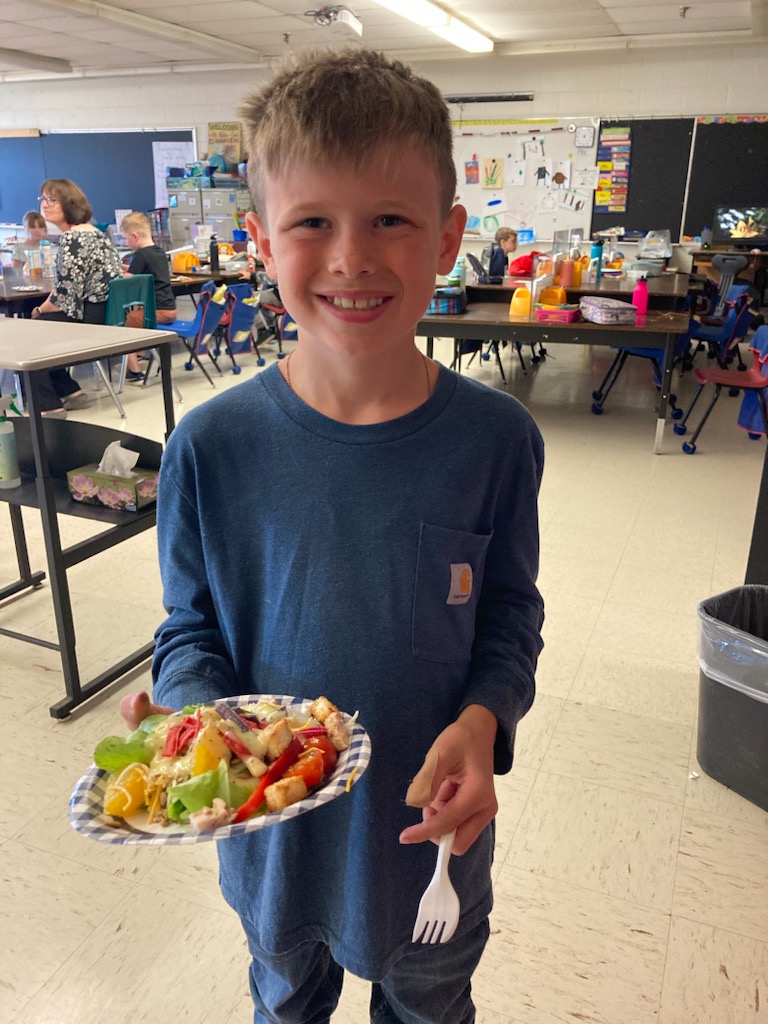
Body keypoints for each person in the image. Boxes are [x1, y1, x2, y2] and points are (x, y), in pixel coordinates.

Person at [121, 47, 544, 1024]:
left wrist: (484, 723)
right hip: (274, 849)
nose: (352, 257)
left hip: (429, 849)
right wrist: (192, 720)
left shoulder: (497, 442)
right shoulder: (208, 447)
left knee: (428, 1008)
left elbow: (511, 617)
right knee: (287, 1001)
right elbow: (190, 631)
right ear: (264, 243)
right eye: (313, 222)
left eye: (390, 220)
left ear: (446, 238)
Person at [30, 179, 122, 413]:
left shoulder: (72, 238)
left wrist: (40, 309)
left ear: (69, 204)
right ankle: (69, 390)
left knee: (29, 334)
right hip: (106, 316)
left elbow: (66, 298)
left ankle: (47, 406)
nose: (45, 205)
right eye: (43, 199)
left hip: (90, 322)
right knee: (40, 325)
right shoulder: (96, 234)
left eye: (52, 199)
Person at [119, 211, 178, 381]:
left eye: (125, 238)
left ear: (134, 236)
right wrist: (124, 268)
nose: (125, 242)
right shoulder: (158, 252)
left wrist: (114, 272)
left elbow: (128, 279)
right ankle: (141, 354)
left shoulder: (140, 255)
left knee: (124, 322)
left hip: (157, 312)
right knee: (135, 317)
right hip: (169, 309)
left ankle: (134, 371)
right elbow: (137, 271)